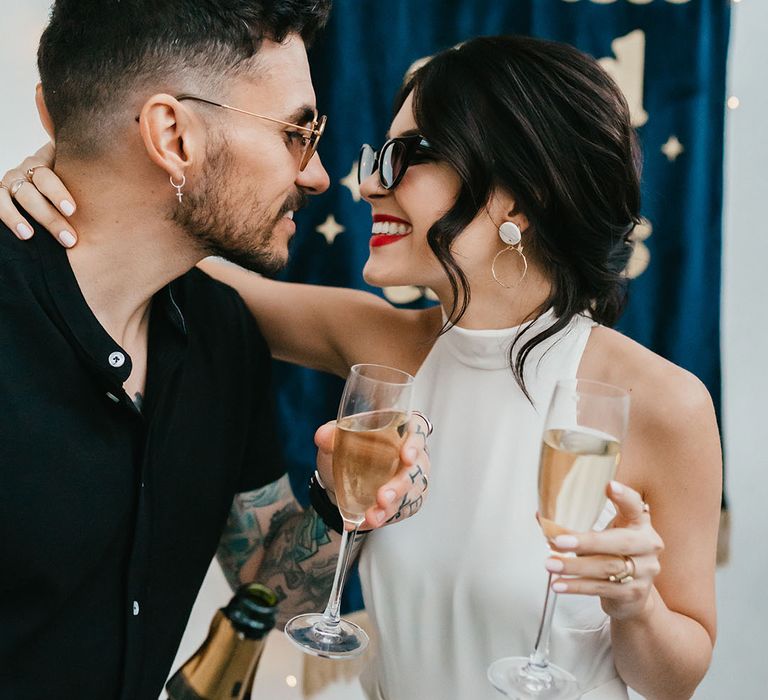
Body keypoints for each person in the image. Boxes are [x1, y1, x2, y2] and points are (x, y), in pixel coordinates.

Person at [4, 35, 721, 700]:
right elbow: (169, 255)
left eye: (406, 156)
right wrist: (69, 172)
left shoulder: (666, 404)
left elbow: (676, 679)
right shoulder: (383, 343)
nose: (366, 184)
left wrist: (637, 605)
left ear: (517, 195)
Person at [0, 2, 431, 699]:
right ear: (173, 136)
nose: (318, 174)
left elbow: (275, 592)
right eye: (297, 132)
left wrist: (340, 501)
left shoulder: (222, 331)